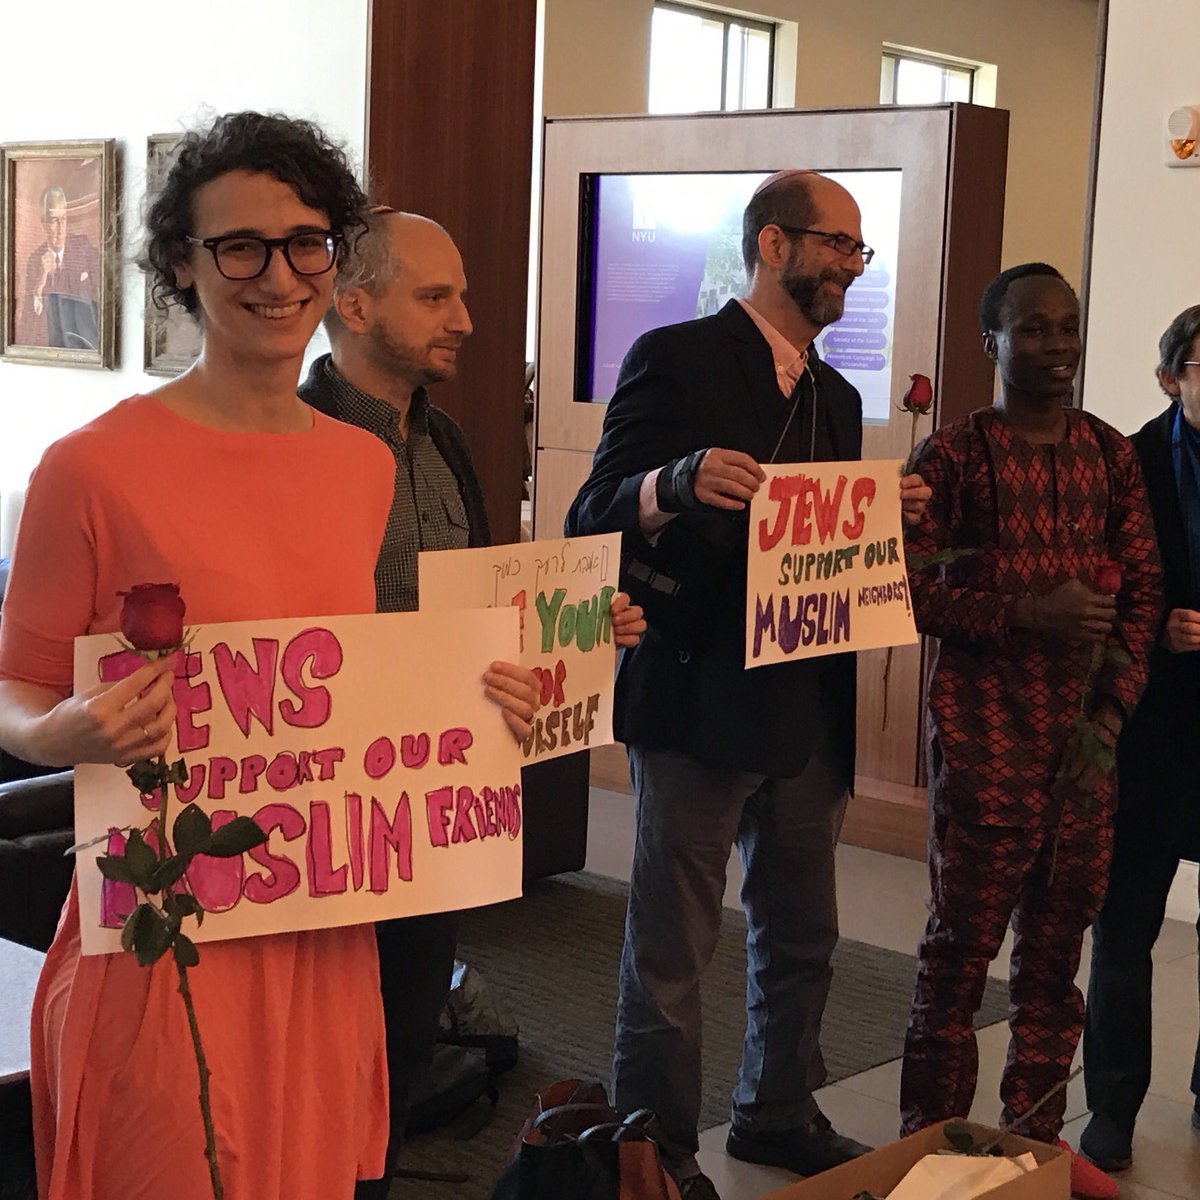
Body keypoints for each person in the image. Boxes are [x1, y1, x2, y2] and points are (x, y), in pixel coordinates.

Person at [0, 111, 398, 1199]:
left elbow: (355, 686)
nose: (278, 276)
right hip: (161, 920)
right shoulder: (93, 468)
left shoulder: (365, 468)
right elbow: (15, 684)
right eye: (240, 247)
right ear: (183, 262)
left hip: (315, 909)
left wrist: (500, 691)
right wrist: (55, 732)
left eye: (306, 241)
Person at [566, 169, 930, 1200]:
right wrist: (669, 484)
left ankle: (777, 1112)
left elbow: (817, 549)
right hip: (694, 698)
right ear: (774, 245)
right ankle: (660, 1153)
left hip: (809, 708)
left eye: (862, 252)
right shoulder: (674, 358)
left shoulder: (838, 394)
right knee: (674, 950)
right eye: (839, 246)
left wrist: (873, 521)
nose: (854, 267)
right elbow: (592, 513)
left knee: (804, 931)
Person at [298, 207, 645, 1196]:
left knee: (403, 1048)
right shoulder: (292, 442)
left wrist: (574, 625)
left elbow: (485, 609)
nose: (467, 320)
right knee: (313, 1065)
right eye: (437, 297)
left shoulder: (444, 438)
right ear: (353, 304)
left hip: (431, 813)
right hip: (324, 814)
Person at [898, 262, 1162, 1200]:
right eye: (1034, 330)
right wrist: (1026, 611)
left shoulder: (1110, 454)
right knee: (956, 967)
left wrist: (1110, 715)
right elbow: (912, 588)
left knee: (1055, 972)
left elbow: (1141, 593)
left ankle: (1031, 1161)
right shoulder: (954, 457)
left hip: (1085, 762)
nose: (1055, 347)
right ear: (992, 344)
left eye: (1068, 327)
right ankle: (932, 1160)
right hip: (982, 753)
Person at [1080, 304, 1200, 1173]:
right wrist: (1155, 626)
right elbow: (1094, 588)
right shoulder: (1125, 463)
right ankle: (1112, 1108)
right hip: (1148, 729)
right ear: (1171, 378)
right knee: (1124, 930)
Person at [21, 185, 100, 348]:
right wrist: (39, 284)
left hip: (86, 345)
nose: (59, 228)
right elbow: (28, 322)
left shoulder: (84, 248)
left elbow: (103, 296)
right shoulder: (35, 261)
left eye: (63, 219)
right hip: (52, 348)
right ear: (44, 224)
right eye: (53, 221)